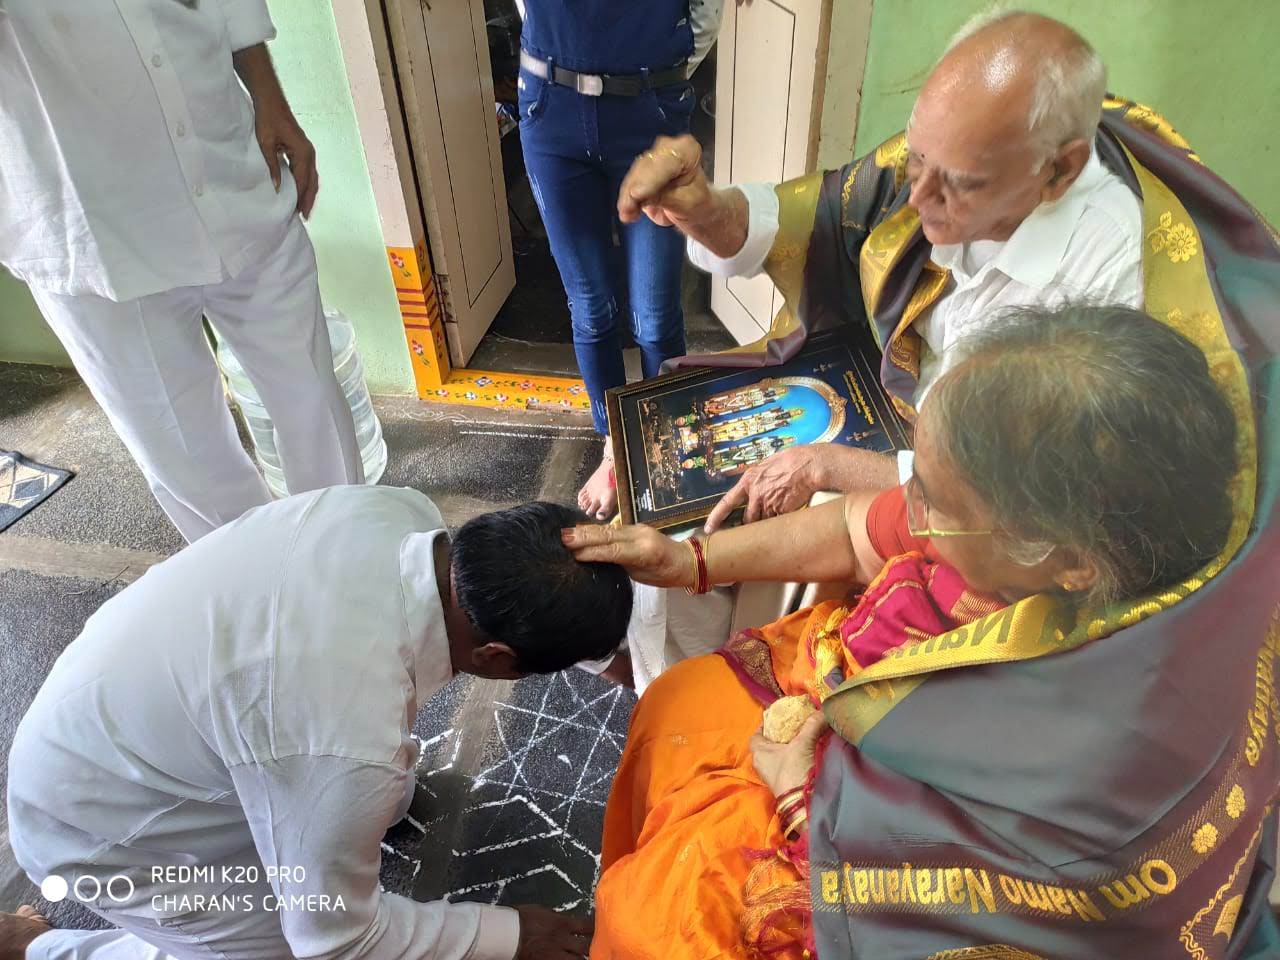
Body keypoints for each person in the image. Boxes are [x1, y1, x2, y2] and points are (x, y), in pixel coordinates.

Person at [566, 304, 1280, 958]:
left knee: (649, 926)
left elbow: (985, 896)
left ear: (1066, 564)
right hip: (855, 698)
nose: (911, 509)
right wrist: (691, 560)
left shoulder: (1117, 734)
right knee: (675, 703)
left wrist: (802, 797)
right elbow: (858, 528)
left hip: (865, 846)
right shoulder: (1038, 524)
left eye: (934, 502)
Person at [3, 487, 632, 960]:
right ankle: (42, 948)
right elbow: (338, 941)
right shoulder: (346, 741)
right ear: (495, 658)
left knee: (340, 797)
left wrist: (603, 647)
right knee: (275, 942)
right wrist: (507, 937)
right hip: (102, 829)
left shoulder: (399, 513)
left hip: (118, 718)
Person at [617, 9, 1146, 532]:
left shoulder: (1105, 281)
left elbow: (1023, 496)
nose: (916, 197)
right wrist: (707, 213)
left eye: (961, 184)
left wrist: (830, 467)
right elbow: (810, 221)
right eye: (918, 158)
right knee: (651, 481)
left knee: (701, 544)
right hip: (884, 406)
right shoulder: (958, 152)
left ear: (1059, 171)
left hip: (965, 510)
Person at [0, 0, 363, 543]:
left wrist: (269, 96)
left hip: (235, 171)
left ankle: (349, 557)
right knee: (191, 461)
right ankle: (252, 579)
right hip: (92, 233)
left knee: (314, 407)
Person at [512, 0, 726, 521]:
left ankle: (661, 447)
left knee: (655, 315)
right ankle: (617, 451)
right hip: (551, 108)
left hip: (651, 110)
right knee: (591, 307)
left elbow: (705, 10)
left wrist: (665, 65)